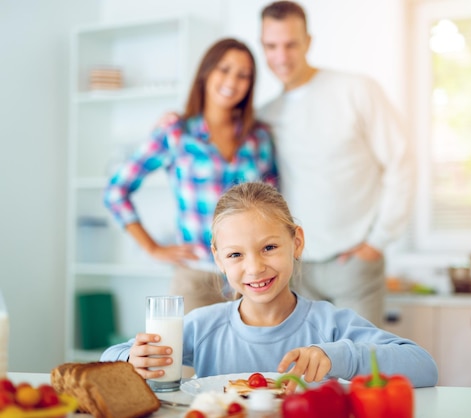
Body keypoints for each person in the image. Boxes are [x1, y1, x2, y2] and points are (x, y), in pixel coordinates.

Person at [100, 182, 438, 390]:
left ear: (297, 243)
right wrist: (133, 358)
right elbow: (108, 359)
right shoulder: (204, 326)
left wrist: (340, 357)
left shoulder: (330, 326)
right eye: (235, 254)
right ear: (218, 260)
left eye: (269, 247)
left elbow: (423, 365)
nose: (255, 267)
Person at [257, 1, 415, 327]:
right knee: (302, 372)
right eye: (271, 46)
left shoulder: (356, 90)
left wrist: (378, 242)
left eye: (291, 44)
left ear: (308, 42)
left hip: (353, 264)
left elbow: (402, 161)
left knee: (360, 367)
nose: (281, 56)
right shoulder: (266, 115)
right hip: (295, 267)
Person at [103, 38, 277, 314]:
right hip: (196, 280)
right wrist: (152, 248)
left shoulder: (259, 138)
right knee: (186, 358)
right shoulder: (176, 133)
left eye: (243, 75)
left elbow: (273, 208)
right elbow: (115, 191)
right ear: (206, 72)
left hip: (252, 280)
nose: (232, 80)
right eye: (224, 69)